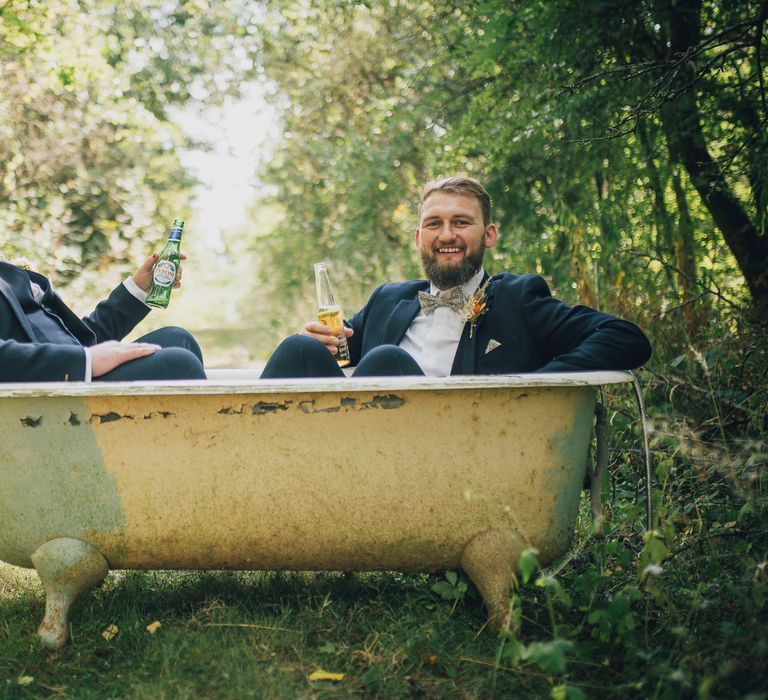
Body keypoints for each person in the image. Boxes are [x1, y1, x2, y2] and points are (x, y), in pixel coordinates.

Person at [261, 175, 651, 379]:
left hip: (454, 458)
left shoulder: (519, 298)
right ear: (419, 238)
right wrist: (318, 339)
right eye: (434, 224)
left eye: (461, 222)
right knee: (298, 348)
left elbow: (625, 339)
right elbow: (335, 348)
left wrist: (538, 386)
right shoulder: (388, 300)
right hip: (352, 446)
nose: (446, 235)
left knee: (386, 361)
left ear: (489, 234)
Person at [0, 252, 206, 382]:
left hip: (72, 368)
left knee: (178, 339)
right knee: (178, 364)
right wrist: (84, 361)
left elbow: (77, 339)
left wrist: (139, 289)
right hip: (47, 393)